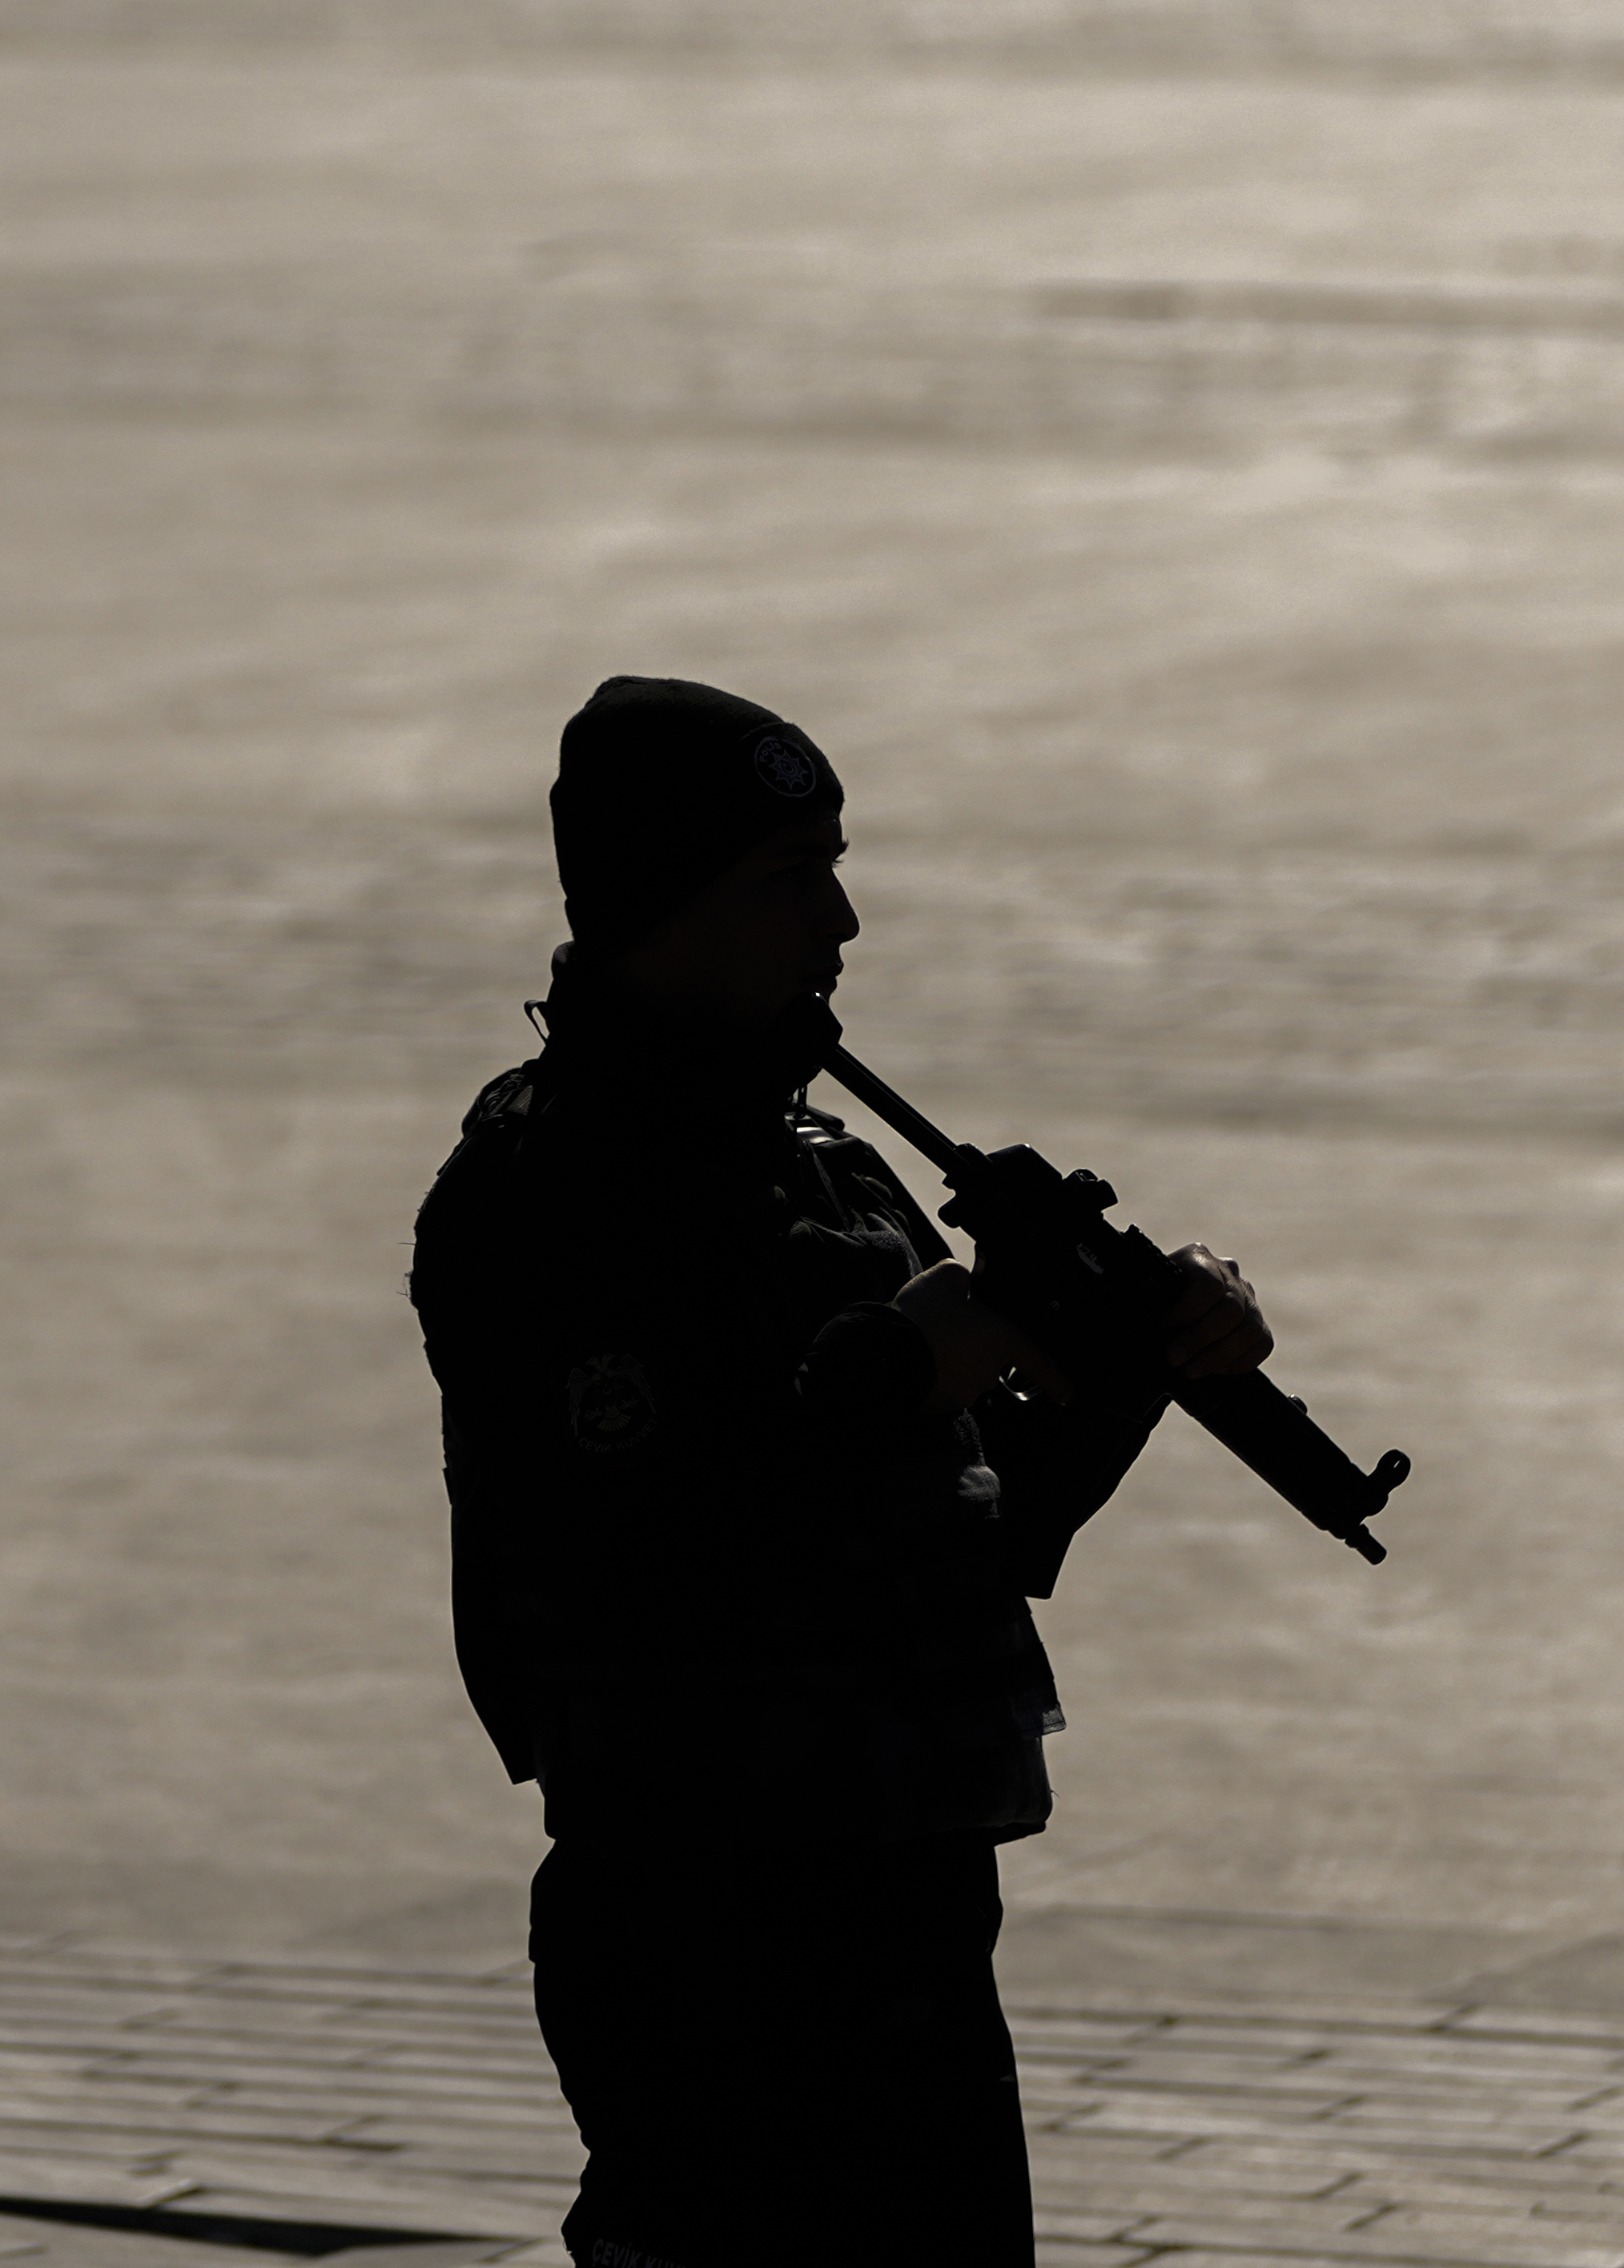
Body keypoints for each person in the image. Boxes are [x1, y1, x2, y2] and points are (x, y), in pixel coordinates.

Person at [408, 677, 1272, 2266]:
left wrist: (1142, 1358)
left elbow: (971, 1520)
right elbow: (639, 1563)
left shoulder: (820, 1160)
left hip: (899, 1886)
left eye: (834, 862)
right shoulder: (547, 1192)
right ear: (664, 905)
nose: (845, 918)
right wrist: (894, 1372)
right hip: (706, 1897)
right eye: (789, 878)